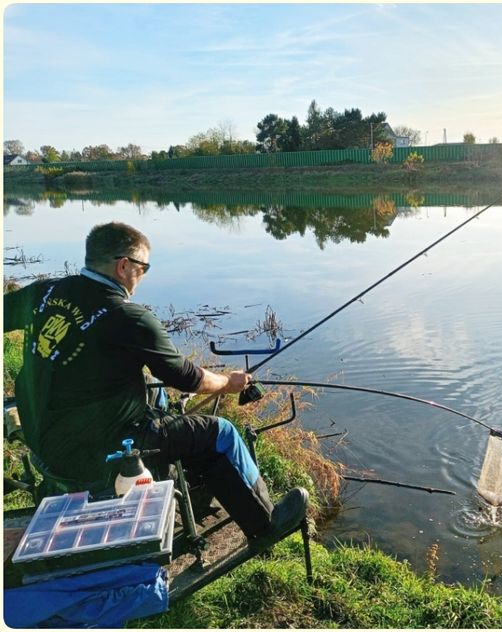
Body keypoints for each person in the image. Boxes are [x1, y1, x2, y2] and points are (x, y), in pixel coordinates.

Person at [4, 222, 308, 548]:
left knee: (156, 391)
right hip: (95, 450)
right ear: (124, 266)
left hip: (42, 436)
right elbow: (189, 378)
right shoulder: (129, 317)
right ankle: (266, 526)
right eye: (143, 267)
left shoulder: (45, 292)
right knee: (221, 434)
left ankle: (187, 480)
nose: (143, 276)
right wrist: (230, 383)